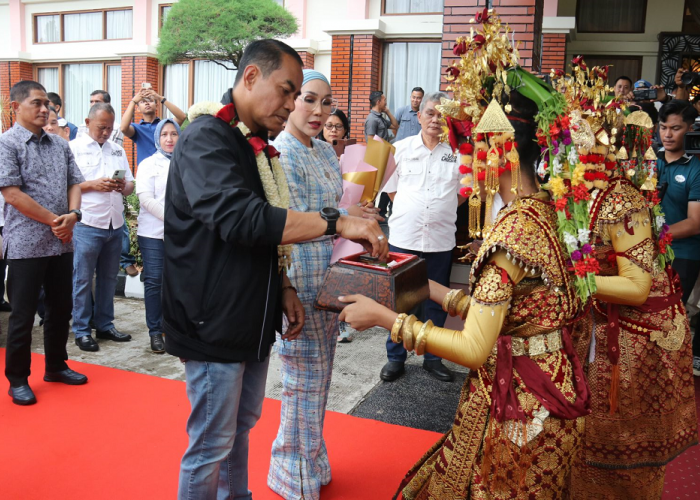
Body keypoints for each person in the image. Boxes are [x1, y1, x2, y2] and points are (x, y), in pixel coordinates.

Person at [162, 39, 388, 500]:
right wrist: (336, 220)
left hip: (254, 313)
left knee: (241, 427)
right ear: (250, 77)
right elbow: (241, 217)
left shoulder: (255, 143)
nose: (291, 105)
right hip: (213, 319)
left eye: (298, 95)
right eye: (288, 92)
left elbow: (265, 228)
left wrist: (283, 284)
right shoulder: (207, 136)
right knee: (210, 443)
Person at [340, 88, 590, 499]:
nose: (469, 161)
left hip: (524, 404)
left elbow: (475, 347)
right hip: (549, 383)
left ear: (498, 155)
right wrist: (419, 285)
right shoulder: (545, 209)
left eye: (475, 147)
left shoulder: (510, 235)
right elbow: (511, 311)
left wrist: (384, 318)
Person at [267, 69, 381, 500]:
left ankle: (309, 459)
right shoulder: (280, 153)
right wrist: (287, 288)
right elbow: (287, 224)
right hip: (300, 279)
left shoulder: (322, 150)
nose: (318, 110)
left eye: (326, 102)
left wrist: (360, 215)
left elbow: (336, 208)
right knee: (302, 378)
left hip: (333, 277)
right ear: (291, 100)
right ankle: (290, 470)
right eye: (309, 99)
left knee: (319, 376)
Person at [0, 81, 88, 405]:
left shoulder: (60, 144)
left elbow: (75, 182)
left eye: (46, 105)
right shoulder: (6, 144)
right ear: (15, 107)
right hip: (26, 243)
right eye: (36, 103)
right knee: (22, 314)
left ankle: (56, 365)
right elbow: (12, 193)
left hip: (61, 241)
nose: (44, 109)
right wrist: (56, 220)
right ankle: (18, 379)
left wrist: (74, 214)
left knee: (60, 307)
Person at [378, 91, 462, 383]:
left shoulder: (459, 153)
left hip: (440, 240)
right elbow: (391, 190)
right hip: (404, 238)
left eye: (442, 115)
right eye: (430, 113)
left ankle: (433, 357)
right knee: (401, 302)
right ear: (419, 115)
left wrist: (441, 208)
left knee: (439, 302)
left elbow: (463, 194)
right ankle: (395, 357)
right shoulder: (399, 149)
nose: (435, 120)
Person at [70, 103, 135, 352]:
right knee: (83, 279)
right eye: (101, 127)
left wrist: (122, 187)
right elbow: (67, 185)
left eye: (109, 128)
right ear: (87, 122)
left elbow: (130, 184)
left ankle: (105, 325)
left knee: (108, 279)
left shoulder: (117, 150)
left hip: (114, 223)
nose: (106, 132)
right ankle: (82, 330)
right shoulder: (73, 149)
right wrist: (92, 184)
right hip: (87, 222)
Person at [656, 100, 700, 375]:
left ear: (690, 129)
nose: (668, 134)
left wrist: (653, 236)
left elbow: (696, 223)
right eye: (663, 127)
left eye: (675, 128)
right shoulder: (649, 160)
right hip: (647, 250)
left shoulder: (696, 167)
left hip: (683, 252)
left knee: (672, 317)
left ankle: (671, 376)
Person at [135, 118, 181, 354]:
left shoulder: (187, 163)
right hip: (153, 233)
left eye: (174, 134)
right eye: (164, 134)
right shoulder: (147, 164)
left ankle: (174, 329)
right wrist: (173, 220)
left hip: (182, 234)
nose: (170, 139)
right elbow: (145, 199)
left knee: (177, 283)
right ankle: (155, 331)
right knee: (154, 282)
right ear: (157, 138)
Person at [119, 87, 186, 165]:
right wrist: (133, 101)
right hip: (146, 171)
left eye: (150, 101)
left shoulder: (165, 125)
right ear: (138, 109)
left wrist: (160, 98)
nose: (147, 103)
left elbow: (182, 117)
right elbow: (123, 128)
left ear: (156, 106)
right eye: (142, 102)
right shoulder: (137, 129)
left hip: (166, 169)